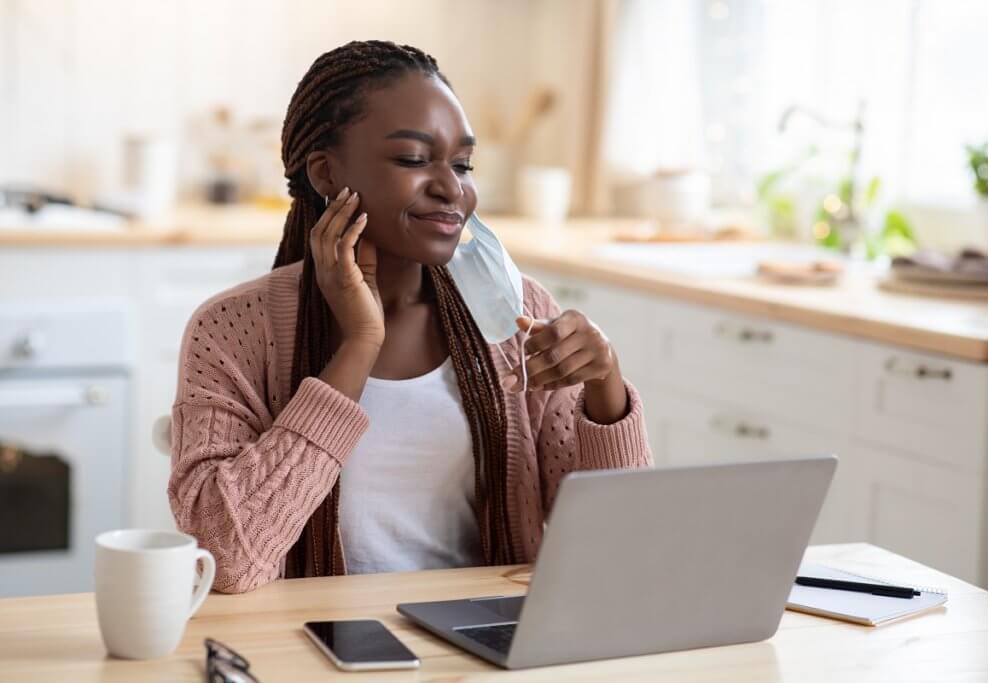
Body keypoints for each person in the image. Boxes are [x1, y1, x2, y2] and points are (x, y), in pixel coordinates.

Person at [167, 40, 651, 594]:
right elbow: (223, 562)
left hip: (484, 646)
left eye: (463, 164)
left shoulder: (519, 316)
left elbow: (615, 550)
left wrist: (604, 390)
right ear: (326, 173)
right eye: (415, 160)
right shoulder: (232, 331)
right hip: (310, 649)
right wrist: (359, 345)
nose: (452, 188)